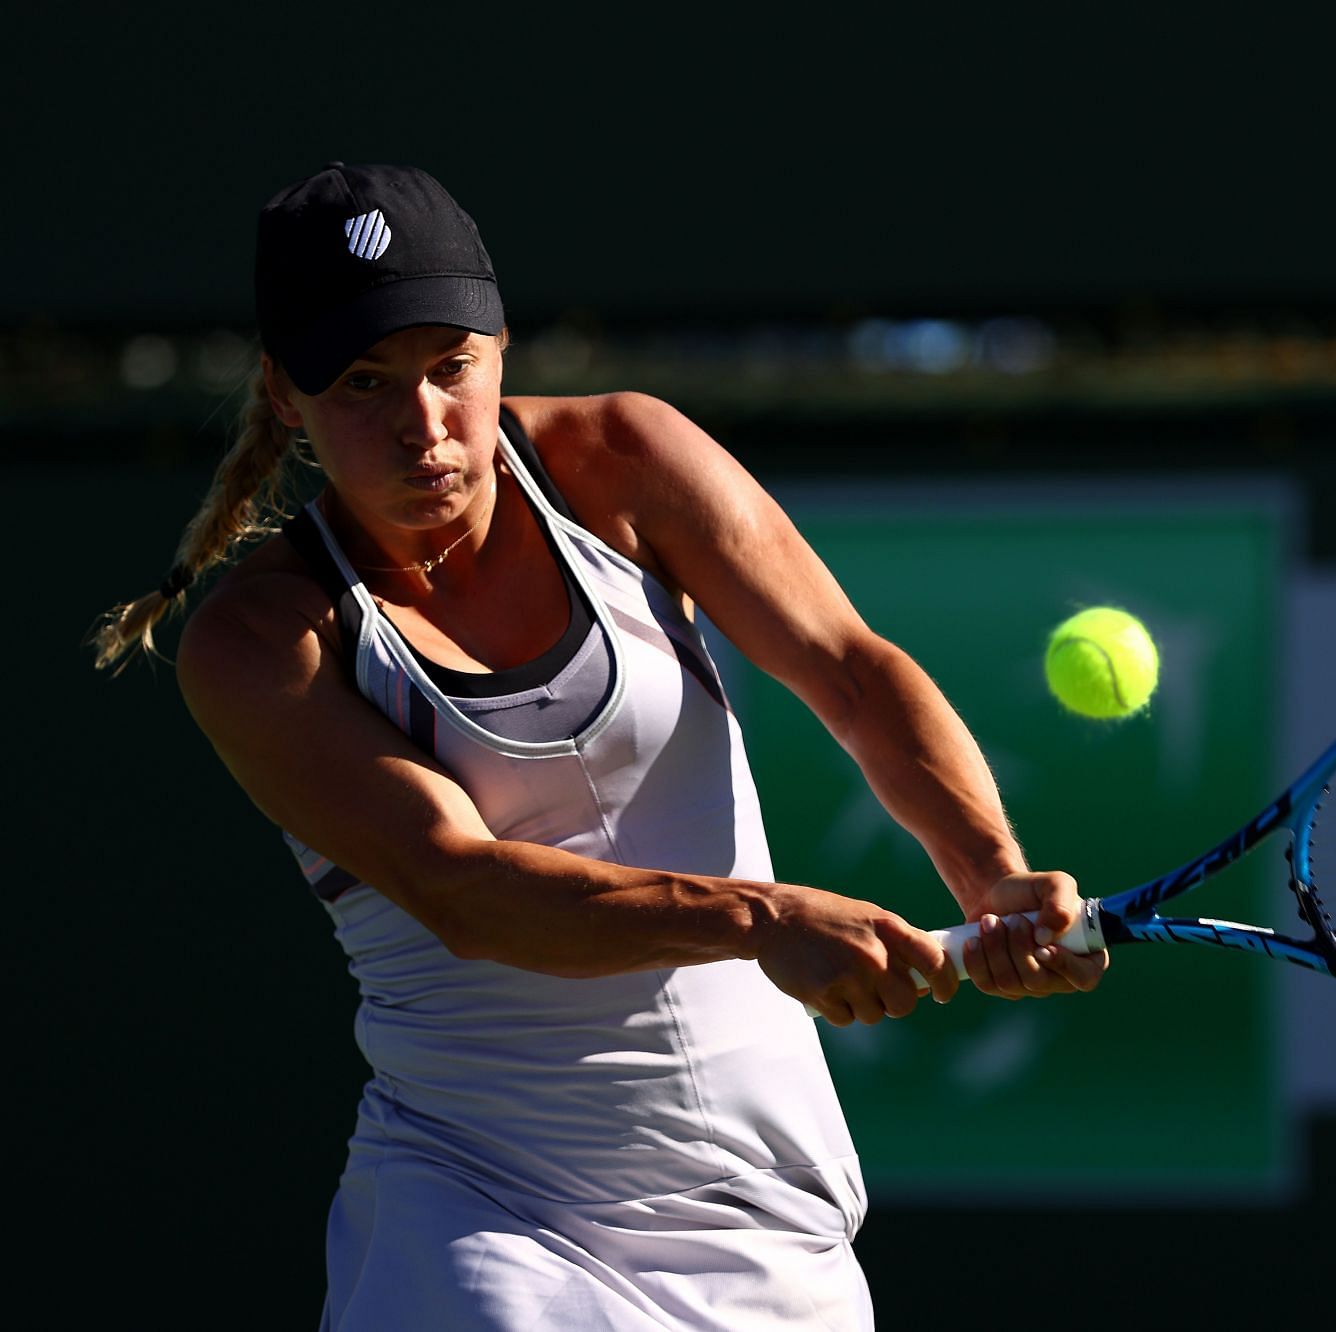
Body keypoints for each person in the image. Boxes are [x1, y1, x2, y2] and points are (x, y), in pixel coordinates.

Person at [92, 162, 1106, 1330]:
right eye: (364, 383)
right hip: (481, 1215)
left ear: (501, 345)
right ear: (284, 396)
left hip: (772, 1219)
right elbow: (464, 889)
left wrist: (992, 875)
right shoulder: (266, 643)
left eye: (448, 367)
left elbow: (849, 668)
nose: (424, 426)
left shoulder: (625, 458)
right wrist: (757, 917)